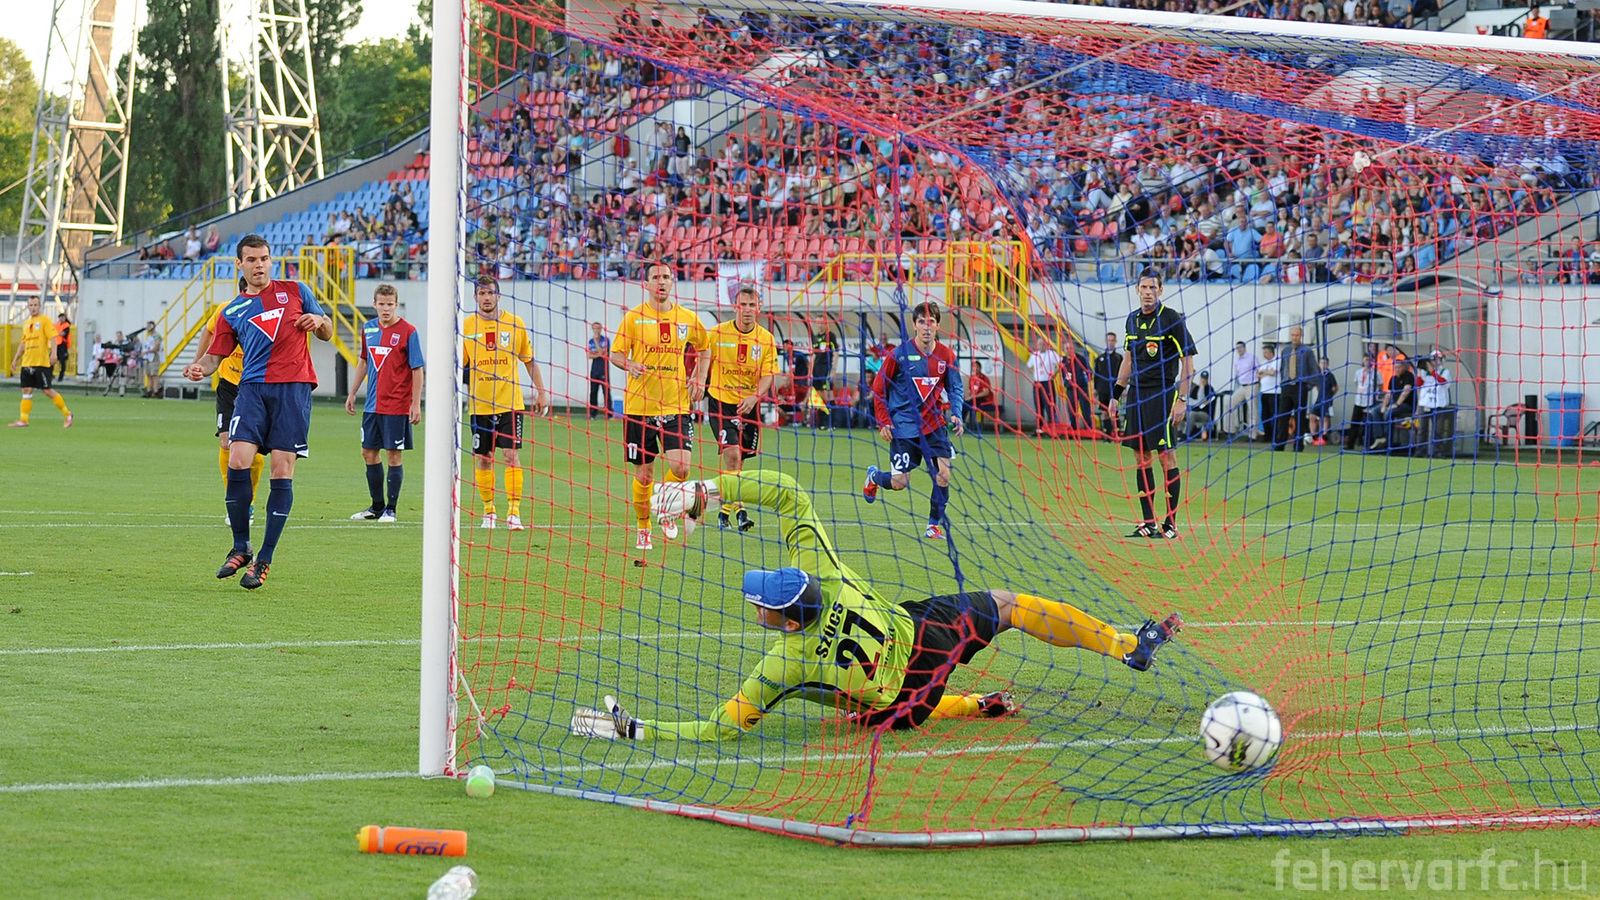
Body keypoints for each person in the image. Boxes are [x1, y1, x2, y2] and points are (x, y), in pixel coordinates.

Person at [571, 470, 1183, 741]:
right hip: (928, 634)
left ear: (784, 619)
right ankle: (1126, 645)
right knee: (1012, 605)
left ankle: (974, 704)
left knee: (837, 697)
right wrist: (705, 489)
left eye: (760, 603)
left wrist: (638, 728)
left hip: (906, 706)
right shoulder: (825, 574)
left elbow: (717, 728)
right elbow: (788, 492)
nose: (754, 605)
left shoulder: (783, 661)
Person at [182, 234, 334, 590]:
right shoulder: (231, 311)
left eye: (264, 258)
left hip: (293, 389)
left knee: (281, 469)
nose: (259, 265)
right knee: (237, 459)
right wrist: (199, 367)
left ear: (270, 260)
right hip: (250, 389)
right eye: (251, 259)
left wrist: (317, 320)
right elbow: (214, 357)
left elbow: (327, 331)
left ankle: (264, 559)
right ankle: (241, 546)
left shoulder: (296, 290)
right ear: (240, 264)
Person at [611, 260, 711, 551]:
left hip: (675, 404)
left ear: (672, 282)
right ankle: (643, 527)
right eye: (656, 277)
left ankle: (665, 508)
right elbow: (616, 354)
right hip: (639, 407)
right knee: (644, 475)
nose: (662, 281)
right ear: (646, 284)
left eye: (666, 277)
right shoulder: (634, 318)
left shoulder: (687, 318)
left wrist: (699, 378)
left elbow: (705, 348)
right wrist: (629, 364)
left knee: (682, 468)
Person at [863, 302, 964, 541]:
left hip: (934, 426)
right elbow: (879, 388)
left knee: (944, 474)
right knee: (900, 483)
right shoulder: (898, 355)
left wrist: (957, 413)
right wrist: (883, 421)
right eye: (921, 322)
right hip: (904, 427)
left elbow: (955, 388)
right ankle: (874, 477)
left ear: (938, 325)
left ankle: (933, 525)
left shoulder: (947, 356)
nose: (927, 327)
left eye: (931, 322)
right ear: (914, 325)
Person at [1106, 271, 1196, 540]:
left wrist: (1182, 400)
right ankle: (1148, 523)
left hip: (1163, 394)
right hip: (1136, 395)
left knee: (1166, 456)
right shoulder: (1132, 319)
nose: (1148, 292)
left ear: (1161, 290)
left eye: (1152, 287)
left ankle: (1170, 524)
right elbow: (1128, 359)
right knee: (1140, 457)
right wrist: (1116, 393)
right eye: (1143, 287)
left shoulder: (1172, 319)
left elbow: (1188, 362)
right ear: (1137, 289)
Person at [463, 273, 548, 531]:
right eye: (482, 293)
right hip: (480, 405)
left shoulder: (514, 323)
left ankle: (514, 512)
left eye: (490, 293)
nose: (486, 298)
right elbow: (459, 365)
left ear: (499, 296)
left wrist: (541, 392)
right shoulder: (466, 326)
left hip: (510, 403)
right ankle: (489, 511)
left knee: (511, 455)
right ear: (475, 297)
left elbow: (529, 360)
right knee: (484, 458)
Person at [699, 284, 777, 532]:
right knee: (732, 455)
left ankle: (724, 513)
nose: (747, 309)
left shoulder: (766, 339)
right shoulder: (717, 333)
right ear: (735, 307)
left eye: (752, 305)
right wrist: (698, 380)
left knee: (738, 463)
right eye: (743, 305)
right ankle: (741, 512)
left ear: (759, 308)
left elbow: (768, 375)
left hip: (748, 406)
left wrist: (755, 396)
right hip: (721, 402)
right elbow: (703, 355)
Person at [345, 284, 425, 522]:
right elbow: (363, 361)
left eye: (390, 304)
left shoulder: (408, 331)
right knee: (368, 452)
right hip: (372, 405)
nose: (386, 309)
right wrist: (352, 392)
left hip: (396, 405)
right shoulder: (368, 328)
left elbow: (417, 369)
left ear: (396, 305)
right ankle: (376, 507)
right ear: (374, 305)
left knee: (393, 455)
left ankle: (391, 509)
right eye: (382, 304)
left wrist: (416, 403)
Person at [191, 293, 265, 519]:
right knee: (226, 443)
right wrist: (197, 361)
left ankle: (249, 501)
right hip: (229, 386)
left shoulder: (268, 313)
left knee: (255, 451)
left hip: (256, 387)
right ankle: (234, 499)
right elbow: (208, 330)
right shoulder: (227, 310)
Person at [7, 297, 73, 428]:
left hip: (41, 362)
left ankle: (67, 413)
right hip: (27, 362)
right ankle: (23, 419)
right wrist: (15, 360)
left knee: (47, 390)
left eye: (35, 305)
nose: (33, 308)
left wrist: (54, 354)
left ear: (40, 306)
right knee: (26, 390)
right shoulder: (26, 324)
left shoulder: (45, 320)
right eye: (31, 305)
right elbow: (23, 343)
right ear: (28, 307)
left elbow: (53, 337)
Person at [1275, 326, 1318, 452]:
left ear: (1301, 336)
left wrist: (1307, 386)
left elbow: (1314, 370)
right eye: (1293, 335)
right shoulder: (1285, 350)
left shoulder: (1307, 351)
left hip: (1300, 386)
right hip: (1287, 386)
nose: (1294, 338)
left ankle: (1298, 446)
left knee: (1300, 418)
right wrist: (1283, 383)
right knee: (1282, 417)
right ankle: (1279, 445)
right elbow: (1283, 368)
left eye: (1297, 335)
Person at [1368, 357, 1416, 453]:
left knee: (1388, 413)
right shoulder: (1393, 379)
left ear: (1403, 367)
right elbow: (1388, 394)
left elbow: (1406, 392)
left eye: (1399, 367)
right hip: (1393, 403)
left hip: (1406, 405)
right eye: (1395, 367)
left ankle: (1387, 438)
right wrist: (1384, 406)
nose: (1397, 369)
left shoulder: (1409, 376)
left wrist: (1397, 404)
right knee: (1374, 411)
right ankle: (1379, 437)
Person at [1415, 351, 1454, 458]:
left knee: (1438, 430)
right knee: (1422, 429)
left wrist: (1432, 371)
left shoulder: (1444, 371)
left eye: (1438, 359)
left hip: (1438, 404)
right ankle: (1421, 450)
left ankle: (1438, 451)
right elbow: (1418, 384)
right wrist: (1419, 371)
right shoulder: (1424, 372)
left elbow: (1442, 381)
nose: (1435, 362)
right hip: (1425, 403)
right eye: (1433, 360)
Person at [1223, 341, 1261, 439]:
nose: (1239, 350)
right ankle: (1230, 430)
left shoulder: (1252, 357)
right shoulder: (1237, 361)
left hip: (1252, 385)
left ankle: (1252, 435)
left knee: (1252, 410)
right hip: (1242, 386)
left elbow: (1258, 370)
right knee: (1229, 404)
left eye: (1240, 347)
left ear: (1244, 348)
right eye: (1237, 348)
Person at [1343, 351, 1377, 452]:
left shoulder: (1376, 373)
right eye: (1366, 359)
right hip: (1359, 401)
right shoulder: (1358, 372)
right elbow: (1356, 384)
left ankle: (1367, 444)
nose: (1367, 361)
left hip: (1369, 401)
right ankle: (1350, 444)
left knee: (1368, 424)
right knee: (1354, 422)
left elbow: (1380, 386)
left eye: (1369, 360)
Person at [1026, 335, 1061, 430]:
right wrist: (1034, 372)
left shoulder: (1052, 354)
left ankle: (1052, 428)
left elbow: (1061, 364)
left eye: (1043, 344)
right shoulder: (1034, 355)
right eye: (1040, 344)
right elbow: (1028, 366)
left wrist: (1055, 373)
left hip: (1047, 383)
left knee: (1049, 406)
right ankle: (1039, 428)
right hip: (1037, 383)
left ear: (1046, 345)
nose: (1041, 346)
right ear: (1037, 345)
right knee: (1038, 406)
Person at [1092, 331, 1123, 432]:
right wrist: (1095, 388)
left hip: (1114, 389)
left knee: (1115, 411)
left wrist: (1123, 387)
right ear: (1106, 341)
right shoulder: (1100, 358)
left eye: (1112, 340)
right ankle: (1108, 434)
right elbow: (1096, 374)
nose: (1110, 342)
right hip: (1103, 389)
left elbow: (1123, 373)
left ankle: (1118, 432)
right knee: (1104, 412)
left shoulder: (1119, 358)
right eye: (1109, 340)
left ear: (1115, 341)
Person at [1307, 357, 1338, 446]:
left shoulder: (1330, 376)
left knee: (1324, 417)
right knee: (1312, 416)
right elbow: (1317, 386)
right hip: (1319, 399)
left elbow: (1336, 387)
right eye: (1321, 363)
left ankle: (1324, 436)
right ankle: (1313, 436)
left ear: (1327, 364)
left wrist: (1330, 395)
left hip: (1327, 399)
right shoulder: (1318, 375)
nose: (1323, 365)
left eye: (1325, 363)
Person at [585, 321, 612, 418]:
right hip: (594, 368)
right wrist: (598, 354)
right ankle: (592, 413)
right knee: (593, 391)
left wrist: (597, 343)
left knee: (606, 391)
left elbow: (603, 353)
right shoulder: (590, 341)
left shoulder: (605, 340)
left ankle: (609, 414)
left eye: (598, 328)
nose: (596, 330)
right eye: (595, 328)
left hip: (603, 368)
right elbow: (589, 355)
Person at [965, 360, 998, 435]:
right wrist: (966, 397)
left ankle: (977, 426)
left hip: (984, 399)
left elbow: (986, 392)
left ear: (980, 368)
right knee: (964, 403)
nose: (975, 369)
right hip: (973, 398)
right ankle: (961, 423)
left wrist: (973, 396)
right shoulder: (972, 378)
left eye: (977, 367)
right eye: (974, 367)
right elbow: (969, 390)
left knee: (973, 403)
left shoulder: (984, 378)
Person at [1183, 371, 1217, 440]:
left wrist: (1202, 388)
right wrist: (1199, 402)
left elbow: (1204, 403)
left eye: (1205, 378)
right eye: (1202, 378)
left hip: (1205, 414)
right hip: (1193, 410)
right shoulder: (1196, 388)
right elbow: (1190, 402)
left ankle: (1185, 435)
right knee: (1180, 413)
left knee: (1192, 414)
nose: (1203, 380)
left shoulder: (1210, 389)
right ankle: (1178, 433)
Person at [1258, 345, 1281, 451]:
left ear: (1271, 352)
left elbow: (1272, 373)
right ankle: (1267, 435)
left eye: (1266, 352)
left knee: (1274, 414)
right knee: (1265, 414)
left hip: (1274, 392)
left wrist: (1265, 372)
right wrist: (1265, 373)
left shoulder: (1277, 361)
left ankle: (1275, 436)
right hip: (1264, 391)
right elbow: (1258, 374)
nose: (1264, 354)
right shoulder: (1263, 363)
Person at [141, 321, 163, 398]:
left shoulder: (157, 336)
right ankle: (149, 391)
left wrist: (146, 352)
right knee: (149, 374)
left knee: (154, 375)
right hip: (148, 357)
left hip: (154, 357)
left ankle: (156, 391)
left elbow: (156, 348)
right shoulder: (150, 336)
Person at [53, 313, 72, 380]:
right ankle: (50, 375)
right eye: (60, 317)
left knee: (62, 361)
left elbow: (63, 333)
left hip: (63, 345)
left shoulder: (66, 325)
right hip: (56, 344)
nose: (61, 319)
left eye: (62, 317)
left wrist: (56, 333)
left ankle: (61, 377)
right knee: (52, 359)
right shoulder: (57, 325)